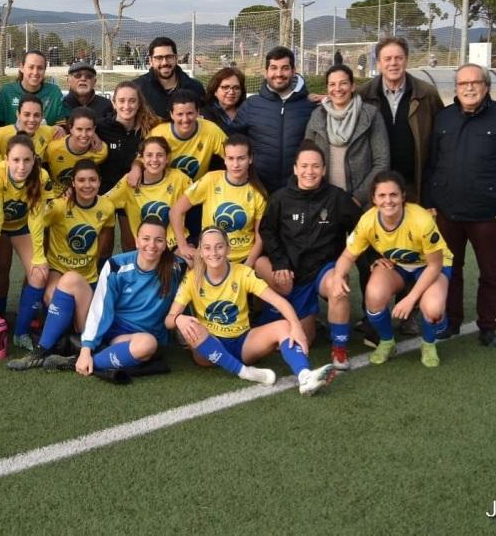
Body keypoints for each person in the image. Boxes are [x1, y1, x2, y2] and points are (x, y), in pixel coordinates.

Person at [423, 63, 496, 347]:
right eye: (463, 83)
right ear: (456, 88)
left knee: (490, 273)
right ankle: (452, 320)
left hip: (489, 215)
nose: (469, 88)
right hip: (447, 212)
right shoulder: (443, 118)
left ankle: (488, 326)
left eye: (475, 82)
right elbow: (432, 163)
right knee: (450, 270)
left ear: (487, 86)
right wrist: (430, 199)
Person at [165, 227, 335, 394]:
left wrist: (296, 327)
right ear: (200, 252)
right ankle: (246, 372)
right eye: (207, 248)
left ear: (228, 249)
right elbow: (169, 320)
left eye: (219, 246)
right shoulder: (192, 279)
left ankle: (305, 377)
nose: (213, 253)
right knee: (193, 328)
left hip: (242, 343)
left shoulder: (243, 273)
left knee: (285, 325)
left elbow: (279, 302)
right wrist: (179, 319)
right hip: (209, 348)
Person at [325, 171, 453, 368]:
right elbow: (348, 256)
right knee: (374, 294)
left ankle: (429, 344)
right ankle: (387, 341)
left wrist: (410, 299)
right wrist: (338, 276)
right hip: (398, 264)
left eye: (393, 195)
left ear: (403, 196)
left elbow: (435, 265)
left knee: (433, 308)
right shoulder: (368, 221)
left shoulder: (422, 220)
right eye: (382, 195)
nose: (388, 201)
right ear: (374, 199)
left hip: (430, 266)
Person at [260, 141, 361, 369]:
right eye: (304, 166)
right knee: (303, 338)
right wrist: (280, 262)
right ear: (295, 169)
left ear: (324, 170)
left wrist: (371, 260)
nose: (310, 171)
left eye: (315, 166)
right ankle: (291, 314)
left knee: (338, 288)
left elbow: (362, 229)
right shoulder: (280, 198)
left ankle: (339, 349)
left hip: (323, 270)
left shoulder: (337, 198)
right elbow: (267, 231)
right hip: (291, 273)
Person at [7, 160, 116, 370]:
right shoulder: (59, 206)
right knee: (52, 295)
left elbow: (105, 238)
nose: (87, 185)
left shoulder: (107, 207)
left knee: (85, 330)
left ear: (100, 182)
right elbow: (34, 221)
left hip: (88, 278)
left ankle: (67, 350)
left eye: (92, 180)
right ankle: (43, 351)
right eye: (81, 180)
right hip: (58, 270)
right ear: (72, 183)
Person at [0, 134, 53, 353]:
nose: (21, 166)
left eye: (27, 160)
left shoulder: (42, 176)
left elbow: (36, 219)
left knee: (39, 274)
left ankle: (21, 333)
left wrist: (39, 257)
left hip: (19, 225)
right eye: (16, 160)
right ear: (7, 159)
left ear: (34, 159)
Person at [72, 220, 186, 377]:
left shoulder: (175, 267)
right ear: (137, 241)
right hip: (118, 332)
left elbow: (204, 262)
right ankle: (84, 361)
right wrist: (86, 349)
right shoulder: (116, 265)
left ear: (165, 244)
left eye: (159, 240)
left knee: (147, 347)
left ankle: (97, 361)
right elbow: (99, 309)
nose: (152, 245)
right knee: (147, 345)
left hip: (151, 336)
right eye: (146, 239)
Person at [355, 37, 443, 204]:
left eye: (398, 58)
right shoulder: (363, 95)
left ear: (406, 60)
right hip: (374, 188)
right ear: (379, 63)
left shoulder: (427, 94)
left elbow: (442, 139)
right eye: (387, 59)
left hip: (413, 187)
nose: (393, 63)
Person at [170, 134, 267, 272]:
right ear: (225, 159)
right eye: (231, 158)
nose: (235, 164)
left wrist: (248, 265)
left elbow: (260, 236)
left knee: (274, 275)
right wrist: (183, 245)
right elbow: (176, 211)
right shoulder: (211, 180)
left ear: (250, 159)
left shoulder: (258, 193)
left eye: (241, 158)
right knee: (178, 259)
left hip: (242, 258)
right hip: (209, 255)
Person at [304, 64, 389, 208]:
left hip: (362, 203)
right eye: (332, 84)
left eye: (343, 83)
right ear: (327, 88)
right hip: (323, 201)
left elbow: (382, 162)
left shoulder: (370, 115)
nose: (337, 89)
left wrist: (358, 198)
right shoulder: (317, 116)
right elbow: (306, 156)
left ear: (353, 86)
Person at [232, 46, 314, 194]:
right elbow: (233, 144)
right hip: (257, 189)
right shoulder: (251, 105)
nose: (279, 74)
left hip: (298, 191)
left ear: (294, 71)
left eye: (285, 68)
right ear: (266, 72)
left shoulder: (309, 106)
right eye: (274, 68)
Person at [96, 81, 160, 245]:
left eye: (132, 101)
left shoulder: (150, 127)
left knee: (131, 244)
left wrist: (137, 166)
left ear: (139, 104)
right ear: (114, 103)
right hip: (105, 192)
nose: (127, 106)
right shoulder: (100, 128)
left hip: (134, 191)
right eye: (122, 100)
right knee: (103, 247)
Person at [106, 136, 192, 251]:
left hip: (175, 246)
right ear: (141, 158)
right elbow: (103, 203)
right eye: (149, 155)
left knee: (190, 258)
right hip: (146, 248)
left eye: (160, 155)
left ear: (167, 158)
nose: (154, 159)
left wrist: (191, 243)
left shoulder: (179, 178)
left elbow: (201, 195)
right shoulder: (129, 181)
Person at [150, 89, 226, 183]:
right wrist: (136, 169)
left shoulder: (211, 130)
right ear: (171, 114)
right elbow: (142, 159)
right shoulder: (158, 133)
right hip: (166, 187)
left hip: (197, 188)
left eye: (190, 113)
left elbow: (232, 154)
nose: (185, 119)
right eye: (180, 114)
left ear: (198, 112)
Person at [133, 36, 205, 120]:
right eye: (159, 58)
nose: (164, 63)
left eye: (169, 57)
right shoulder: (138, 88)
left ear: (176, 58)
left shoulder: (195, 88)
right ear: (150, 61)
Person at [0, 49, 66, 126]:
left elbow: (62, 125)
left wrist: (60, 128)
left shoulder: (54, 92)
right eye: (31, 67)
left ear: (45, 70)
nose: (35, 72)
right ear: (22, 67)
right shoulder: (6, 92)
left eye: (40, 68)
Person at [42, 107, 108, 191]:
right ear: (70, 128)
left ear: (94, 129)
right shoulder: (53, 148)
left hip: (84, 194)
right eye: (79, 129)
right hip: (55, 196)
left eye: (88, 129)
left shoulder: (100, 151)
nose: (84, 135)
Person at [0, 93, 60, 159]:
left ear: (42, 116)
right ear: (18, 114)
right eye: (27, 114)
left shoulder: (49, 132)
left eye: (36, 115)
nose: (32, 119)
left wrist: (60, 129)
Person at [200, 66, 247, 136]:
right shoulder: (204, 115)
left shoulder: (248, 112)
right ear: (215, 90)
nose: (231, 92)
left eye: (236, 88)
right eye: (225, 87)